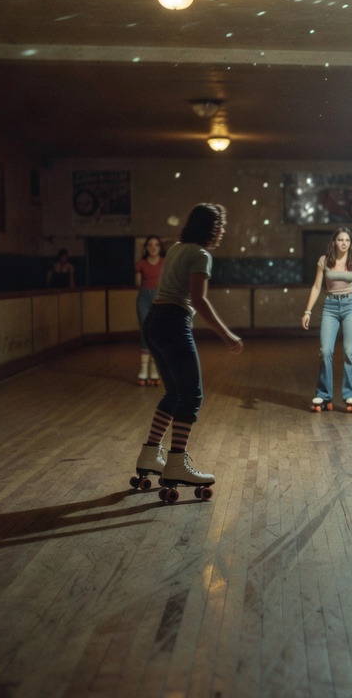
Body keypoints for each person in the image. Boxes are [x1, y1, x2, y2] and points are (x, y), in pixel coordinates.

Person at [130, 203, 243, 502]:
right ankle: (177, 463)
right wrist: (227, 334)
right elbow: (199, 301)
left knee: (174, 393)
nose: (222, 231)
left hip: (154, 322)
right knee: (192, 395)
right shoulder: (201, 255)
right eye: (220, 226)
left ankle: (150, 455)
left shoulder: (178, 248)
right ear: (211, 228)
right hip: (173, 323)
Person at [301, 227, 352, 412]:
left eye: (347, 240)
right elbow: (316, 287)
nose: (344, 243)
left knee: (349, 351)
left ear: (350, 243)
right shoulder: (324, 261)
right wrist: (307, 311)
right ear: (334, 242)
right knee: (325, 351)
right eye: (340, 239)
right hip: (330, 306)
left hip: (351, 306)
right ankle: (323, 395)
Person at [134, 236, 165, 386]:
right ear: (146, 247)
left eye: (156, 245)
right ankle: (143, 368)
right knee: (145, 330)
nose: (153, 247)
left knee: (157, 332)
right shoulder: (141, 264)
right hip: (144, 298)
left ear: (160, 247)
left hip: (160, 298)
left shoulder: (165, 263)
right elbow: (137, 283)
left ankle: (154, 368)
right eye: (150, 245)